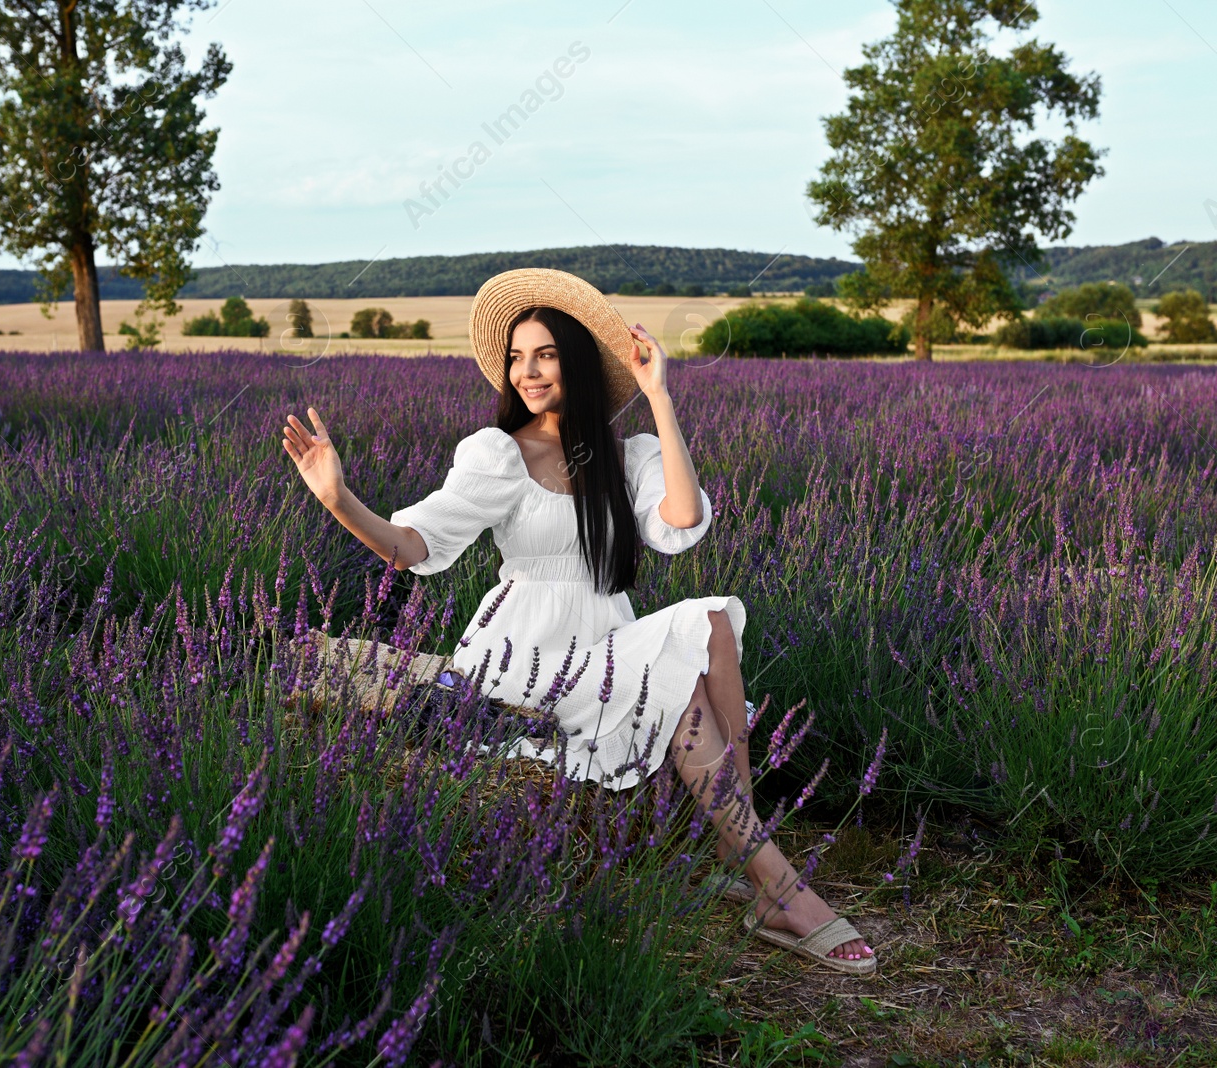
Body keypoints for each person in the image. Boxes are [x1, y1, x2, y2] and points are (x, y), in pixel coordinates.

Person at [281, 268, 874, 973]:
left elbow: (682, 521)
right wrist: (340, 498)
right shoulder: (498, 453)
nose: (526, 371)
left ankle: (742, 853)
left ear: (580, 363)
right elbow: (413, 547)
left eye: (546, 354)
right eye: (516, 357)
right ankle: (772, 880)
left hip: (604, 641)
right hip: (525, 657)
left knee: (710, 621)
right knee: (686, 660)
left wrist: (659, 397)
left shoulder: (628, 458)